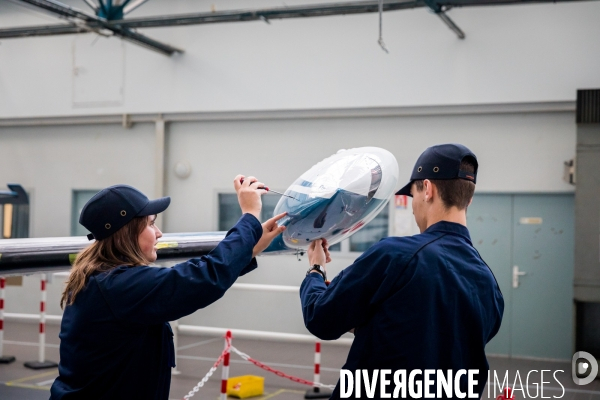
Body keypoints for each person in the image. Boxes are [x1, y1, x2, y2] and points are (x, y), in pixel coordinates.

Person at [50, 176, 285, 400]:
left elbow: (202, 274)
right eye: (151, 224)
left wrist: (248, 249)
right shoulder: (117, 286)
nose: (159, 233)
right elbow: (202, 277)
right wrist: (250, 217)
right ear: (127, 233)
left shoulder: (103, 279)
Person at [300, 144, 504, 399]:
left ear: (427, 189)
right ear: (469, 199)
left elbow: (321, 318)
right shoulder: (488, 283)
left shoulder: (395, 256)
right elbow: (429, 331)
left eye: (413, 195)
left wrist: (316, 270)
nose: (412, 206)